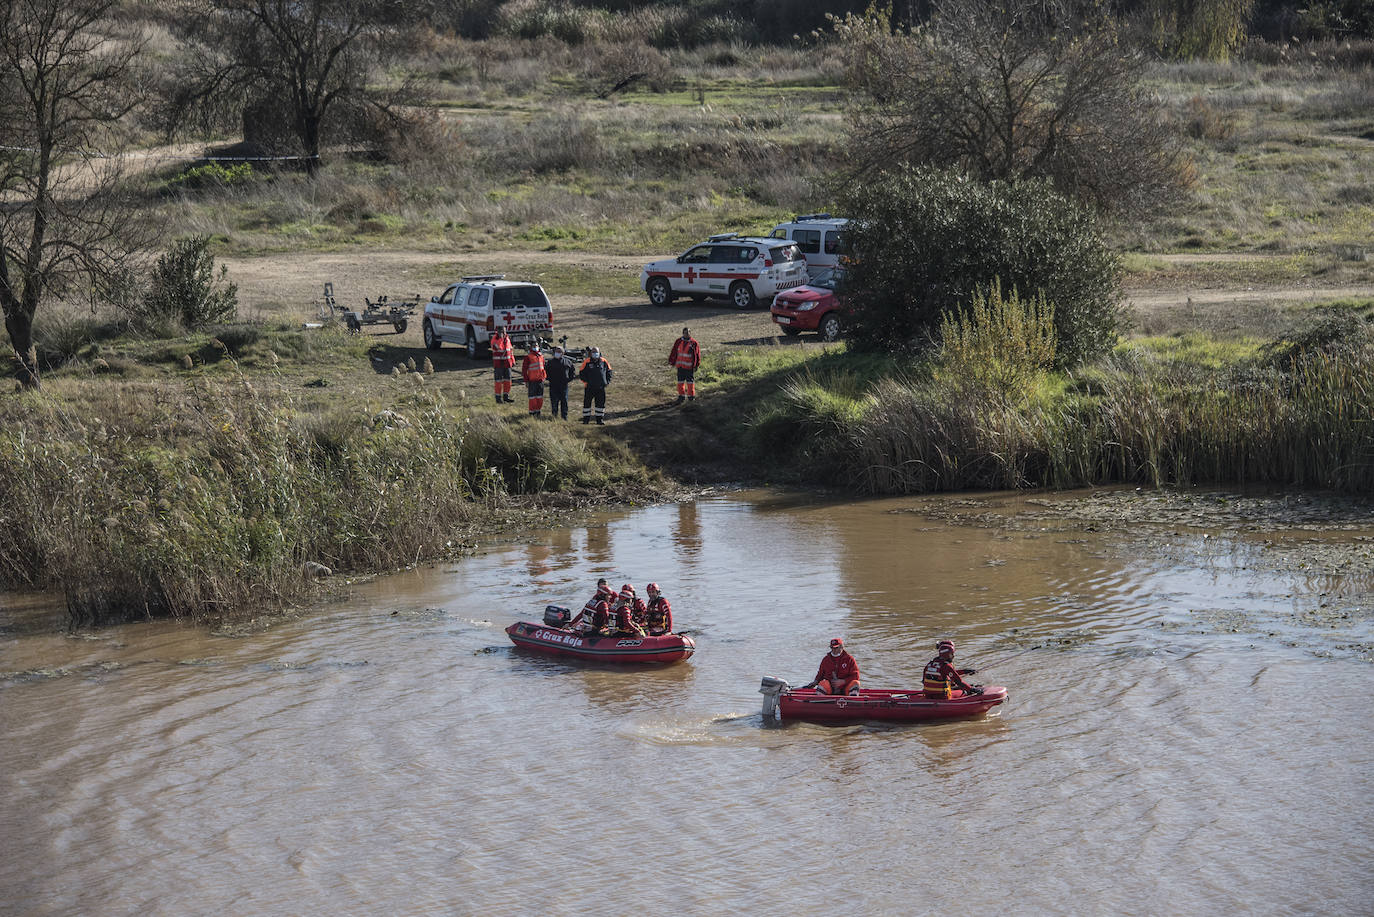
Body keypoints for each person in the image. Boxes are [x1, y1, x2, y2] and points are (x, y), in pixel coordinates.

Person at [578, 346, 613, 425]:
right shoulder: (587, 361)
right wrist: (586, 382)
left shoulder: (604, 361)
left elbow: (609, 371)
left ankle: (599, 420)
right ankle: (586, 420)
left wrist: (606, 382)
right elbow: (581, 373)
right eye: (593, 352)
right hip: (589, 387)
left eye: (596, 352)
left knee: (600, 404)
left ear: (599, 352)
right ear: (590, 353)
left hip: (600, 387)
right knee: (587, 404)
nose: (595, 353)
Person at [668, 326, 701, 404]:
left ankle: (691, 396)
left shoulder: (693, 343)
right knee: (680, 382)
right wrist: (671, 361)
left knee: (690, 382)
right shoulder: (678, 341)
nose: (687, 334)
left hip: (689, 367)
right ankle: (681, 396)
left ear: (690, 333)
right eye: (686, 332)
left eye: (689, 332)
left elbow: (697, 354)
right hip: (680, 366)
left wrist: (696, 365)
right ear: (683, 333)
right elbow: (674, 351)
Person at [546, 344, 577, 420]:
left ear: (563, 353)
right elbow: (545, 372)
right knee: (554, 401)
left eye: (559, 351)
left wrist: (568, 380)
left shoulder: (568, 362)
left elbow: (572, 372)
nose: (558, 353)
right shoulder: (550, 362)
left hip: (563, 385)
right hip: (553, 385)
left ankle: (564, 416)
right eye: (556, 351)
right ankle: (554, 416)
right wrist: (549, 379)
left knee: (564, 401)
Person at [520, 343, 547, 418]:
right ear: (531, 347)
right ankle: (532, 412)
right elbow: (524, 370)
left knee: (540, 397)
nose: (536, 347)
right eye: (534, 346)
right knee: (532, 398)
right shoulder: (528, 357)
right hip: (532, 381)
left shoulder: (541, 356)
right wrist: (526, 381)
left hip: (540, 380)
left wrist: (544, 377)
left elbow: (543, 367)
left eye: (537, 346)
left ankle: (538, 411)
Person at [490, 328, 515, 404]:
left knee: (508, 380)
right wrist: (500, 339)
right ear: (498, 332)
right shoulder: (495, 339)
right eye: (502, 332)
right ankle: (498, 398)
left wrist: (512, 360)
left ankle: (506, 396)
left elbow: (510, 350)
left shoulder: (507, 339)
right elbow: (497, 347)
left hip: (507, 363)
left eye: (504, 331)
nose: (503, 333)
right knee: (498, 381)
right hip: (499, 364)